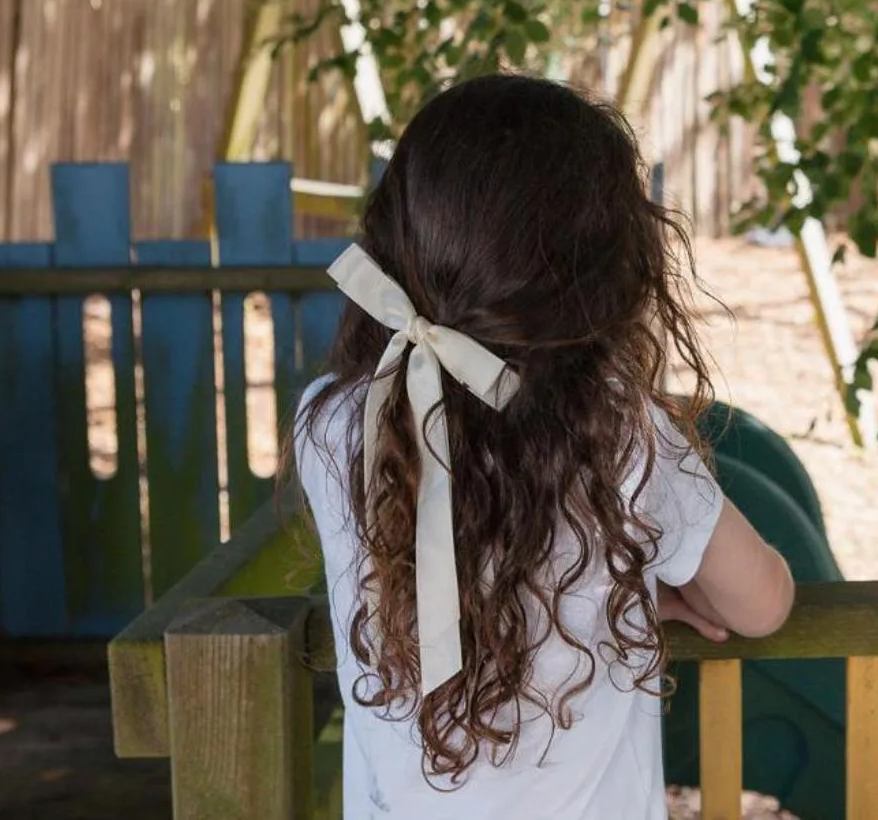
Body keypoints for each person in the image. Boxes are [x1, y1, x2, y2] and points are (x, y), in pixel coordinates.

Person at [293, 74, 796, 819]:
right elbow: (762, 604)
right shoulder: (617, 434)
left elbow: (443, 560)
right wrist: (623, 593)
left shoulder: (334, 422)